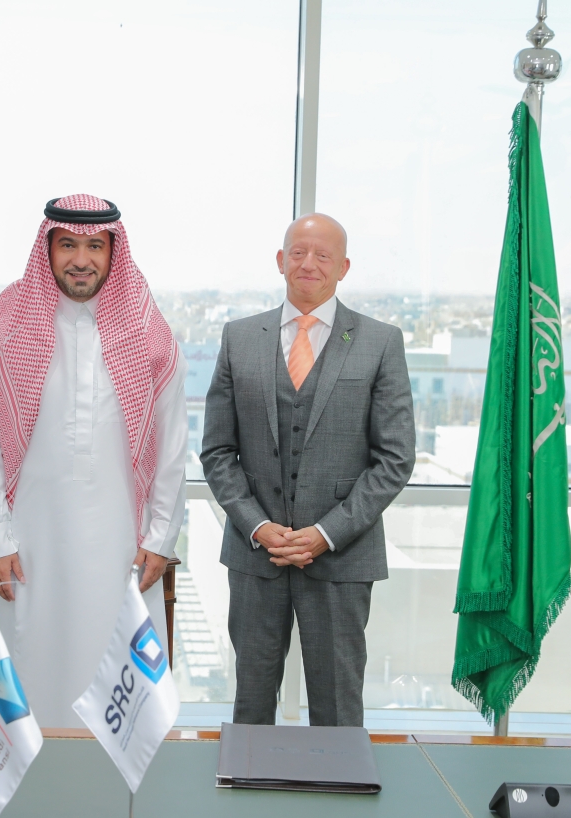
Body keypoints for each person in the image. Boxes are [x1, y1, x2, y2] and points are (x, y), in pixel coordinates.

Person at [0, 194, 188, 728]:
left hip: (123, 547)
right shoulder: (8, 326)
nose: (81, 259)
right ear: (47, 250)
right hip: (31, 547)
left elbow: (172, 446)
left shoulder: (148, 333)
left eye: (95, 245)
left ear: (115, 253)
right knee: (31, 681)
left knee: (116, 685)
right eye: (68, 244)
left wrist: (161, 537)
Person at [200, 213, 415, 727]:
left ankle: (338, 805)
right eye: (298, 252)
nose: (309, 263)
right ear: (280, 261)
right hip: (257, 558)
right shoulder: (238, 338)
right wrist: (256, 526)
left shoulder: (381, 341)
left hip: (342, 559)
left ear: (343, 267)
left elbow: (395, 459)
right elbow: (215, 452)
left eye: (323, 255)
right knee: (251, 701)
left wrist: (325, 533)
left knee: (339, 706)